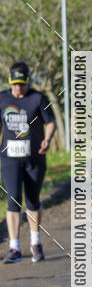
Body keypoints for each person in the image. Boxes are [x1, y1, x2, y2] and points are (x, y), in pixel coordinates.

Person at [0, 61, 56, 263]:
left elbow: (50, 122)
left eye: (22, 84)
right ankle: (14, 248)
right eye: (15, 84)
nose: (18, 88)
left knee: (32, 200)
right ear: (10, 82)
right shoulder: (2, 99)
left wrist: (47, 140)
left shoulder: (38, 98)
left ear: (28, 82)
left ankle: (35, 243)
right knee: (13, 200)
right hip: (10, 159)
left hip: (34, 158)